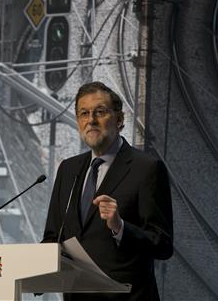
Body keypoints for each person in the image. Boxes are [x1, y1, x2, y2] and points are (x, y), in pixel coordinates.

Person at [42, 81, 173, 301]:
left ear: (119, 120)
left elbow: (163, 245)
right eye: (84, 113)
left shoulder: (147, 169)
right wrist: (32, 266)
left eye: (100, 112)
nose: (91, 120)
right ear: (78, 121)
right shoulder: (68, 169)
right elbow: (52, 237)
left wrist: (120, 228)